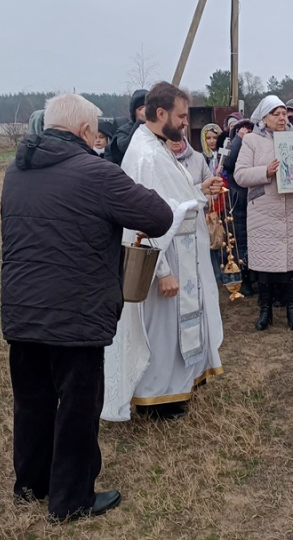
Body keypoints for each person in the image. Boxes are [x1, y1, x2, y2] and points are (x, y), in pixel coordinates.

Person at [1, 94, 173, 521]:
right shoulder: (97, 174)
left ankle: (31, 482)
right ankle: (71, 500)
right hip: (74, 313)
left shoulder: (15, 171)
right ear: (83, 132)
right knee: (77, 406)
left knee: (33, 401)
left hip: (23, 307)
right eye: (96, 132)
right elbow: (159, 216)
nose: (99, 138)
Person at [103, 82, 224, 422]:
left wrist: (198, 191)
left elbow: (171, 200)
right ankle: (157, 398)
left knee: (175, 327)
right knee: (160, 329)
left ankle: (178, 386)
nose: (186, 122)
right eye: (182, 115)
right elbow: (139, 217)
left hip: (181, 253)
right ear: (161, 113)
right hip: (164, 258)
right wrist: (162, 271)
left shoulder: (157, 147)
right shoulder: (145, 155)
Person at [234, 96, 293, 331]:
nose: (281, 118)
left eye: (283, 114)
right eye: (275, 114)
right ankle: (265, 311)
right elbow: (240, 175)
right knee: (266, 266)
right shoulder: (251, 140)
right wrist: (266, 171)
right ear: (264, 117)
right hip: (265, 211)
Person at [222, 116, 256, 296]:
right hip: (238, 198)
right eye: (243, 129)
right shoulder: (232, 145)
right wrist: (238, 139)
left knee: (254, 237)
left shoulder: (256, 145)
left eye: (250, 129)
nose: (247, 132)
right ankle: (243, 279)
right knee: (239, 238)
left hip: (256, 196)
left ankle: (254, 275)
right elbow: (227, 163)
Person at [104, 89, 147, 165]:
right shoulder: (124, 130)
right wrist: (140, 122)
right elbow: (124, 148)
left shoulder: (156, 129)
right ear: (134, 112)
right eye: (140, 109)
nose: (144, 112)